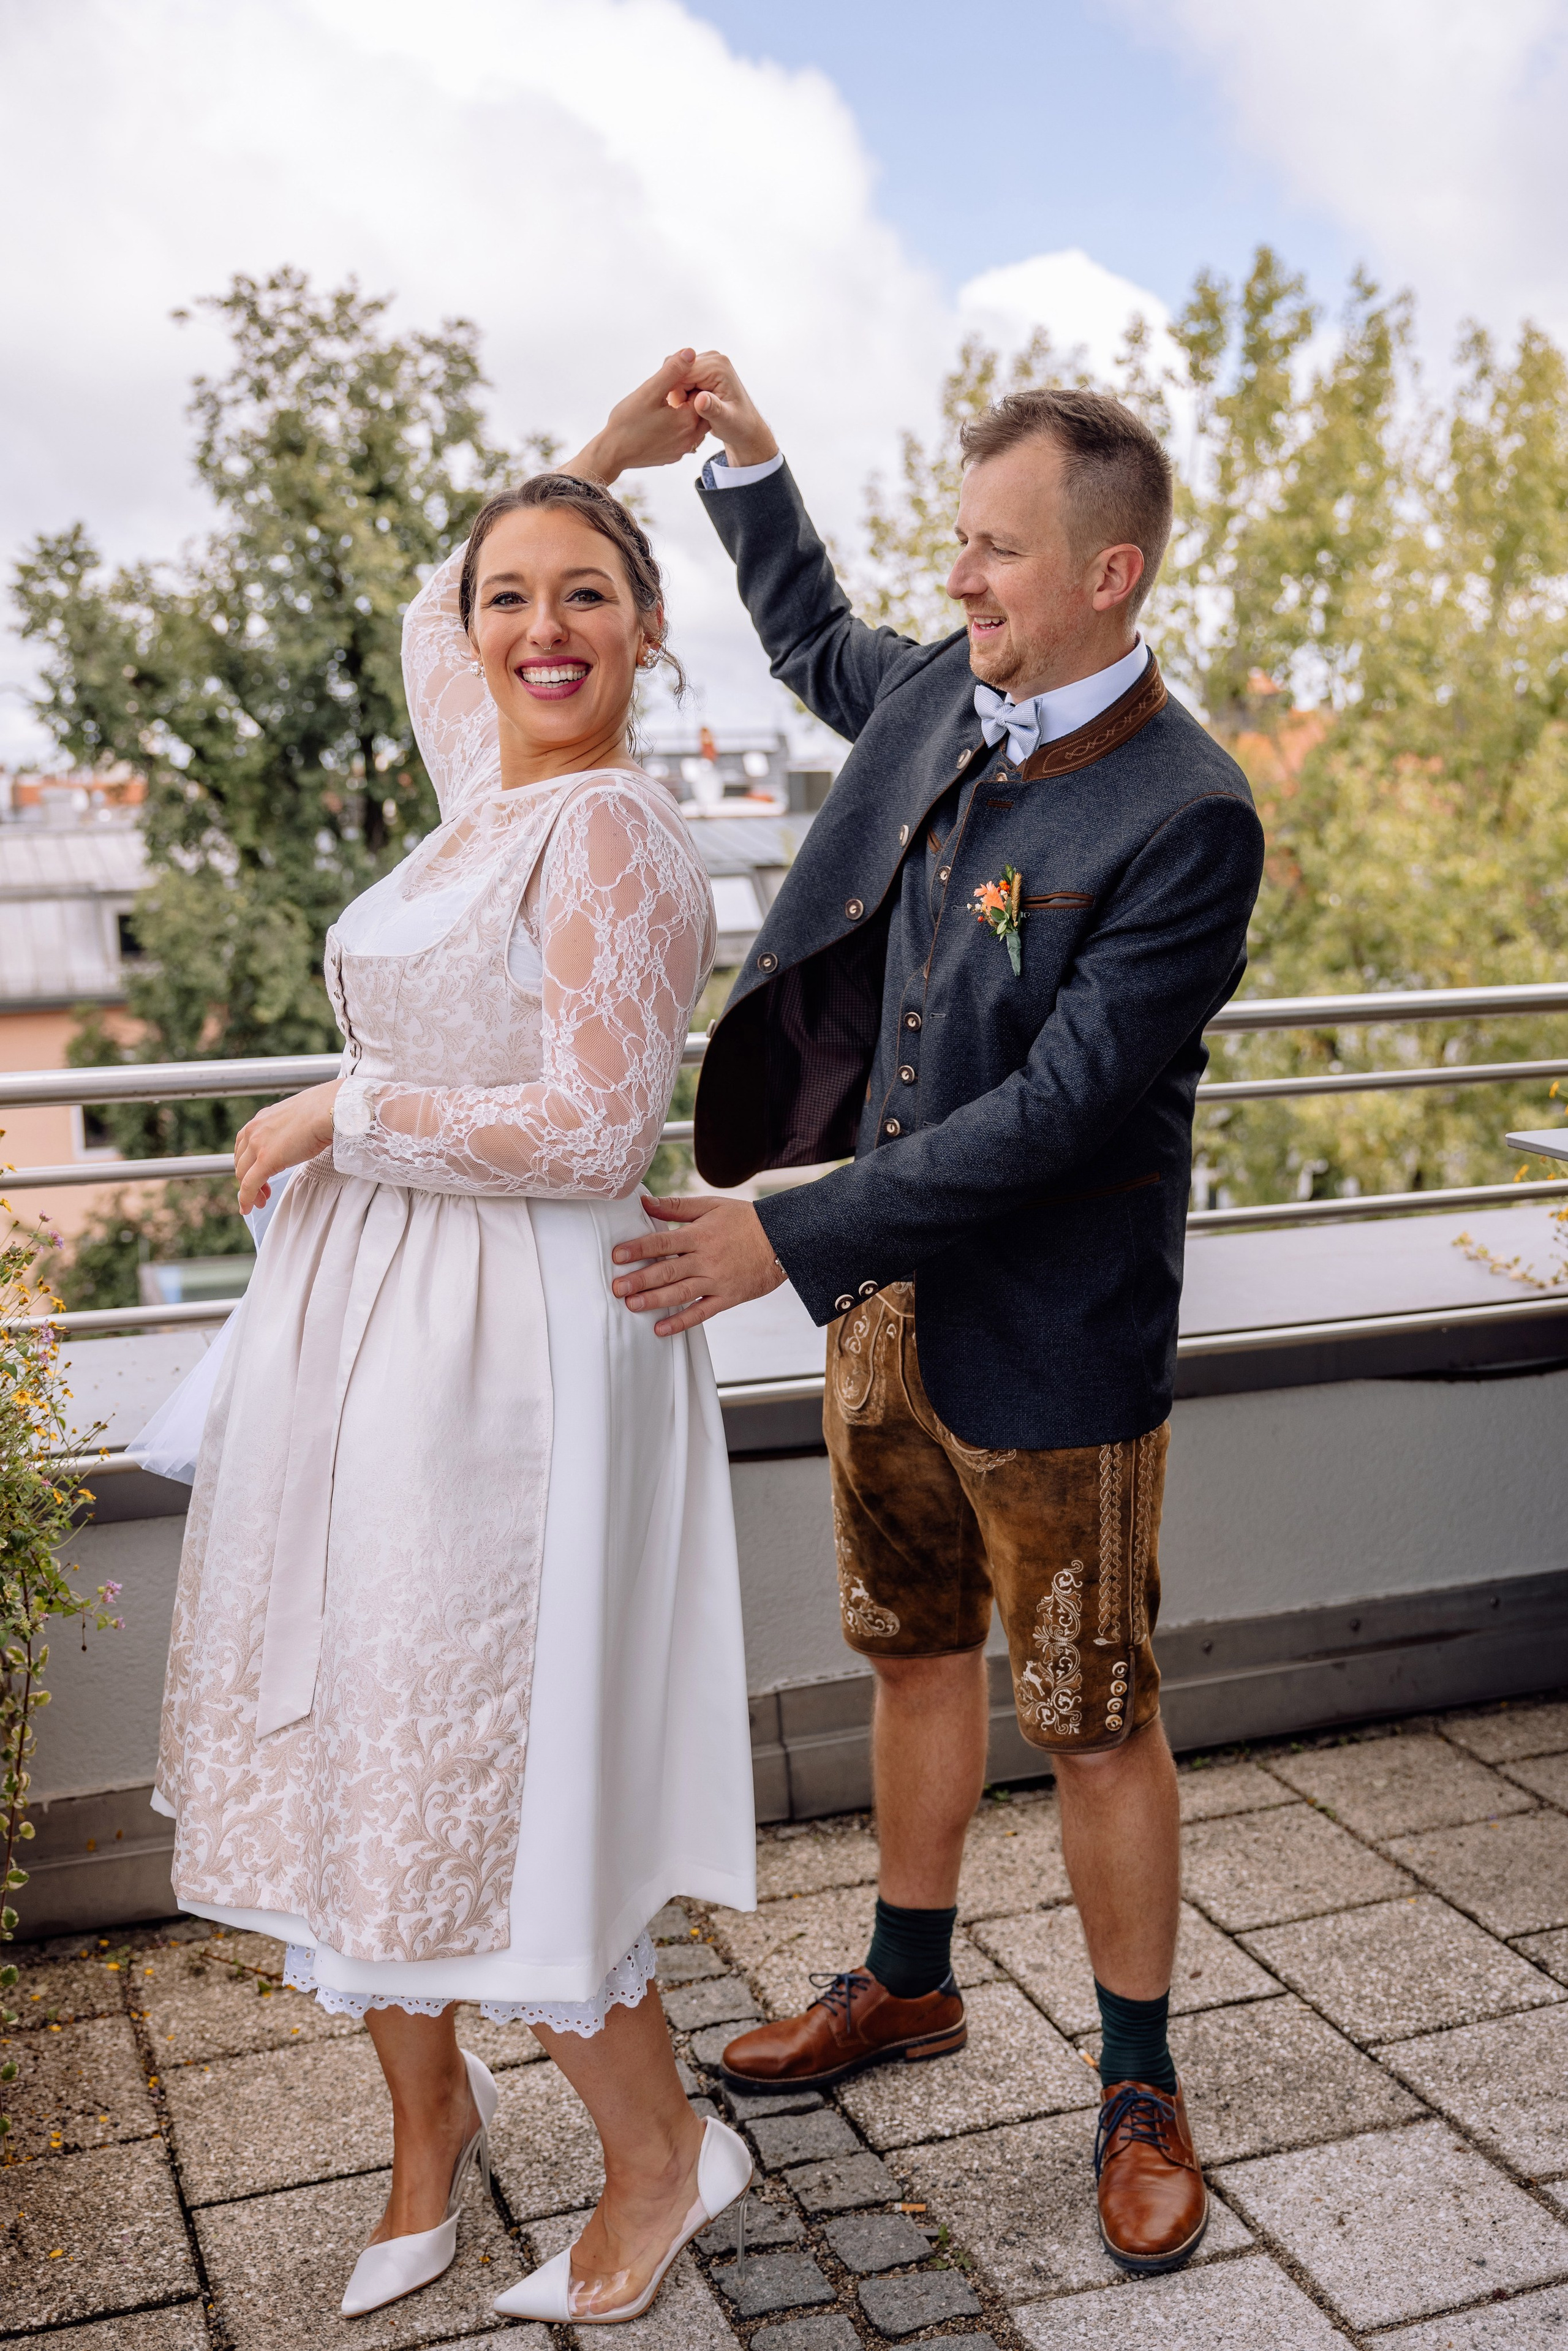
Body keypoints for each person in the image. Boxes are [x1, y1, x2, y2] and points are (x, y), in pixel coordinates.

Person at [568, 352, 1265, 2275]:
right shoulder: (937, 698)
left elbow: (1059, 1121)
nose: (961, 581)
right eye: (956, 545)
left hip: (1055, 1344)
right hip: (887, 1308)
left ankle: (1137, 2083)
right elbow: (804, 629)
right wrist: (752, 465)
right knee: (911, 1652)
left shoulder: (1192, 818)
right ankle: (908, 1981)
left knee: (1101, 1717)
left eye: (996, 552)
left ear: (1109, 575)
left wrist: (774, 1241)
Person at [153, 469, 756, 2325]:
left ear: (648, 625)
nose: (540, 631)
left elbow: (592, 1126)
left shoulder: (615, 835)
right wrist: (603, 458)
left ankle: (668, 2156)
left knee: (478, 1768)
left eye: (589, 596)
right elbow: (445, 619)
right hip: (371, 1334)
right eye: (512, 600)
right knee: (356, 1751)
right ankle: (433, 2130)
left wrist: (349, 1108)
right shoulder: (485, 796)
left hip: (511, 1363)